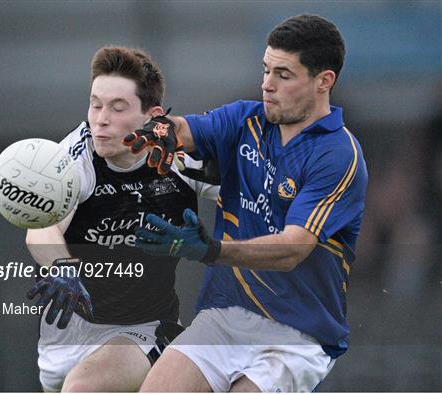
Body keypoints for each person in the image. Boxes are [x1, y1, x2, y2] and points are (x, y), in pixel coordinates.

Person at [125, 14, 368, 392]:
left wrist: (211, 250)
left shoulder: (338, 155)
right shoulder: (246, 120)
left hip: (297, 335)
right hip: (224, 315)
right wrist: (163, 132)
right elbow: (187, 129)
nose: (266, 85)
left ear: (324, 81)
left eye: (283, 75)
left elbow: (291, 250)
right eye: (266, 69)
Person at [25, 46, 217, 392]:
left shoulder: (178, 157)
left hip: (143, 326)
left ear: (152, 116)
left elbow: (250, 199)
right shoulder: (74, 158)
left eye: (118, 108)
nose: (100, 119)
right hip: (68, 331)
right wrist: (62, 266)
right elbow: (42, 227)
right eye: (96, 104)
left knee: (82, 388)